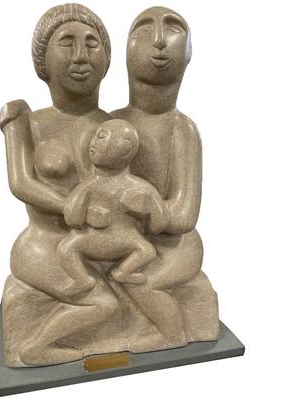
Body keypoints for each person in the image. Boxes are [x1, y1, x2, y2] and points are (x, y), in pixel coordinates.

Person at [0, 4, 119, 366]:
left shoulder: (114, 127)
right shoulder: (25, 119)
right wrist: (71, 206)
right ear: (43, 61)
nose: (81, 56)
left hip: (97, 247)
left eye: (92, 44)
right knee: (103, 303)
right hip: (44, 246)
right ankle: (35, 348)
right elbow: (21, 182)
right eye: (67, 43)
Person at [111, 6, 219, 352]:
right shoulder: (111, 124)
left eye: (173, 29)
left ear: (187, 55)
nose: (159, 40)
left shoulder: (182, 130)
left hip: (174, 247)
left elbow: (185, 215)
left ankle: (171, 334)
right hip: (117, 242)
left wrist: (148, 206)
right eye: (143, 30)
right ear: (125, 52)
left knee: (135, 280)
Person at [57, 119, 169, 296]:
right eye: (95, 136)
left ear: (124, 149)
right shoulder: (89, 186)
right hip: (92, 238)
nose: (93, 142)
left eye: (101, 137)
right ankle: (82, 279)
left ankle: (123, 271)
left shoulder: (140, 188)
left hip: (126, 240)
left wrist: (150, 207)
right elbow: (71, 218)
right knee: (65, 248)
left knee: (147, 250)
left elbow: (159, 225)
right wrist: (87, 215)